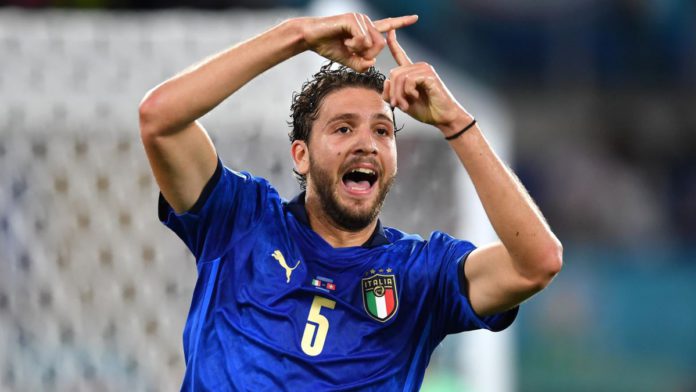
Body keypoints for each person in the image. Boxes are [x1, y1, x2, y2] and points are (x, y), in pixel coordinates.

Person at [139, 12, 562, 391]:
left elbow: (538, 262)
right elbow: (160, 119)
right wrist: (297, 34)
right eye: (343, 129)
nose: (367, 144)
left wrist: (454, 121)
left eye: (383, 131)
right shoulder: (241, 219)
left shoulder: (420, 273)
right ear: (301, 155)